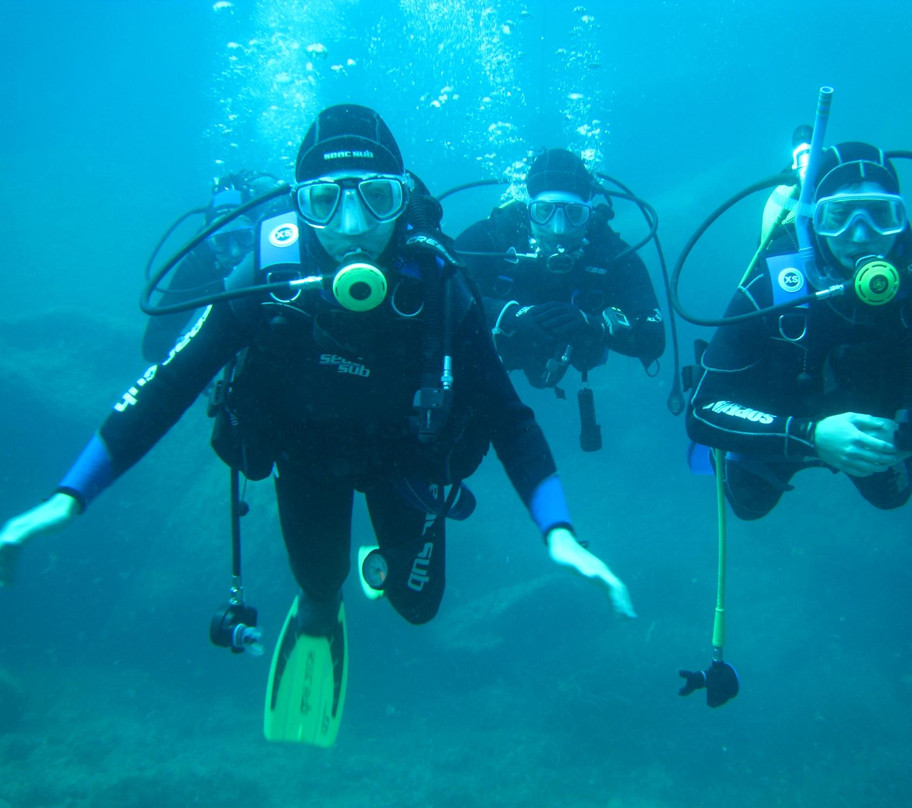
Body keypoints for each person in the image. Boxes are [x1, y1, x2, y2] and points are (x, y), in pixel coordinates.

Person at [0, 104, 635, 748]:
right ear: (298, 202)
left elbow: (510, 419)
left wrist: (559, 532)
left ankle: (377, 567)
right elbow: (167, 384)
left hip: (406, 467)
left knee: (418, 609)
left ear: (403, 198)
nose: (353, 228)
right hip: (307, 463)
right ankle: (323, 608)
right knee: (319, 593)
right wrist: (67, 496)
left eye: (378, 197)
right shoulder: (266, 276)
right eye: (326, 201)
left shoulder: (439, 283)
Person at [685, 141, 912, 520]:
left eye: (880, 215)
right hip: (784, 425)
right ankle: (774, 448)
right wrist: (809, 436)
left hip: (881, 437)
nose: (861, 235)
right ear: (814, 219)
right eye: (838, 216)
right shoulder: (772, 288)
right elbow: (702, 410)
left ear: (902, 218)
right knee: (748, 504)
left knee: (892, 498)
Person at [454, 149, 665, 410]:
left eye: (575, 214)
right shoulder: (496, 236)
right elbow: (444, 291)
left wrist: (595, 325)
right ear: (527, 210)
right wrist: (508, 314)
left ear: (590, 215)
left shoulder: (608, 252)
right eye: (544, 211)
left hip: (571, 355)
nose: (559, 229)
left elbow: (654, 337)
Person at [141, 170, 282, 362]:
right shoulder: (201, 262)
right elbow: (155, 342)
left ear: (260, 232)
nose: (234, 252)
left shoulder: (280, 252)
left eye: (244, 237)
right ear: (207, 242)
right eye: (220, 241)